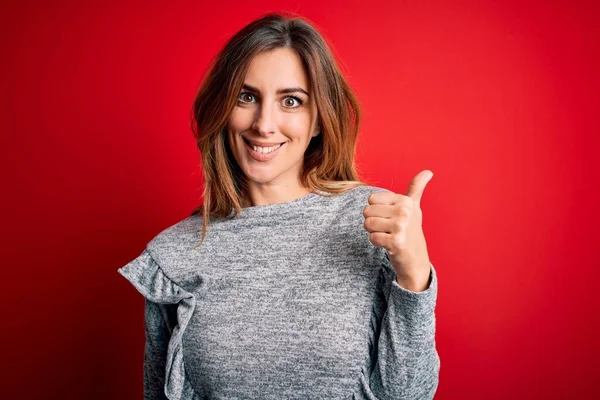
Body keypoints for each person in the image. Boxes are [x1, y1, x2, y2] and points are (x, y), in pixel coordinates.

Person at [118, 11, 440, 400]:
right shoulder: (174, 256)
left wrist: (414, 274)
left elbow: (409, 394)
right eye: (247, 97)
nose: (264, 123)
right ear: (223, 108)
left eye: (291, 101)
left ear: (319, 119)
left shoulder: (374, 225)